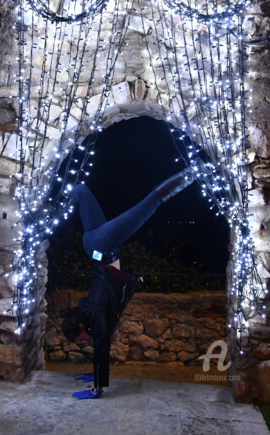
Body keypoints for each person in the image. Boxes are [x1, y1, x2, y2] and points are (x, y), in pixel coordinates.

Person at [62, 168, 195, 400]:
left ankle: (193, 172)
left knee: (151, 203)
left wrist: (97, 388)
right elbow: (100, 339)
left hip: (103, 245)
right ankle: (52, 213)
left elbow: (102, 347)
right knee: (81, 191)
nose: (84, 342)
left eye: (80, 339)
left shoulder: (93, 316)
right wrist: (91, 374)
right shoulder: (86, 310)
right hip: (91, 245)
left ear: (81, 328)